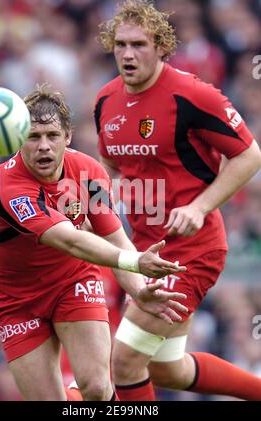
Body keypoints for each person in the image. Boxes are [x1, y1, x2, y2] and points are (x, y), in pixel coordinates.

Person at [95, 0, 261, 401]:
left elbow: (250, 154)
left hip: (192, 250)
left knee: (124, 362)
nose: (128, 54)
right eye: (120, 44)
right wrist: (96, 207)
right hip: (145, 253)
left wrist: (199, 207)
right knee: (166, 368)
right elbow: (108, 168)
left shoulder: (192, 94)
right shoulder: (106, 100)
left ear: (162, 48)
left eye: (139, 44)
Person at [0, 85, 188, 401]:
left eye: (52, 135)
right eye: (33, 137)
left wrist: (138, 291)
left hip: (72, 283)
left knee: (96, 386)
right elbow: (70, 241)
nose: (44, 147)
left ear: (68, 136)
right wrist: (134, 262)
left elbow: (115, 236)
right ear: (17, 139)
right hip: (16, 302)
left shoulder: (91, 173)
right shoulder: (6, 187)